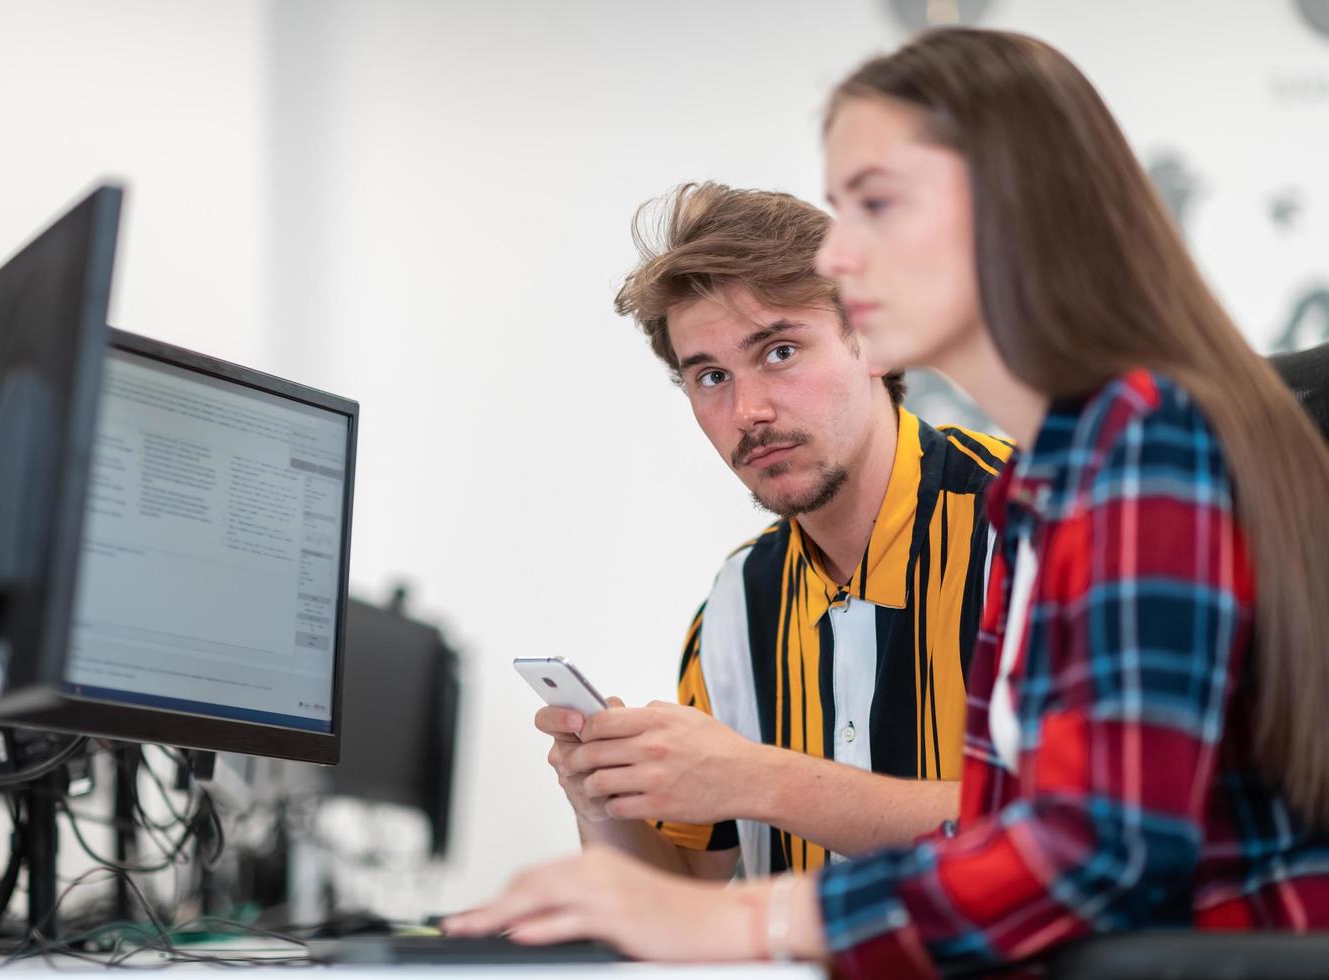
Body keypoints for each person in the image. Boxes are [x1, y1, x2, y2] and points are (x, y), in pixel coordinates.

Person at [446, 28, 1329, 973]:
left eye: (875, 206)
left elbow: (1098, 855)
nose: (847, 256)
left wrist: (756, 919)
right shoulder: (1058, 481)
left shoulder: (1145, 446)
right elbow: (1005, 833)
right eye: (707, 375)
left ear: (1013, 211)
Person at [537, 183, 1011, 881]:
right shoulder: (736, 600)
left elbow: (1077, 831)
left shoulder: (1034, 526)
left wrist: (756, 779)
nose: (746, 409)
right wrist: (602, 800)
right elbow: (684, 891)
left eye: (780, 351)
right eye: (710, 376)